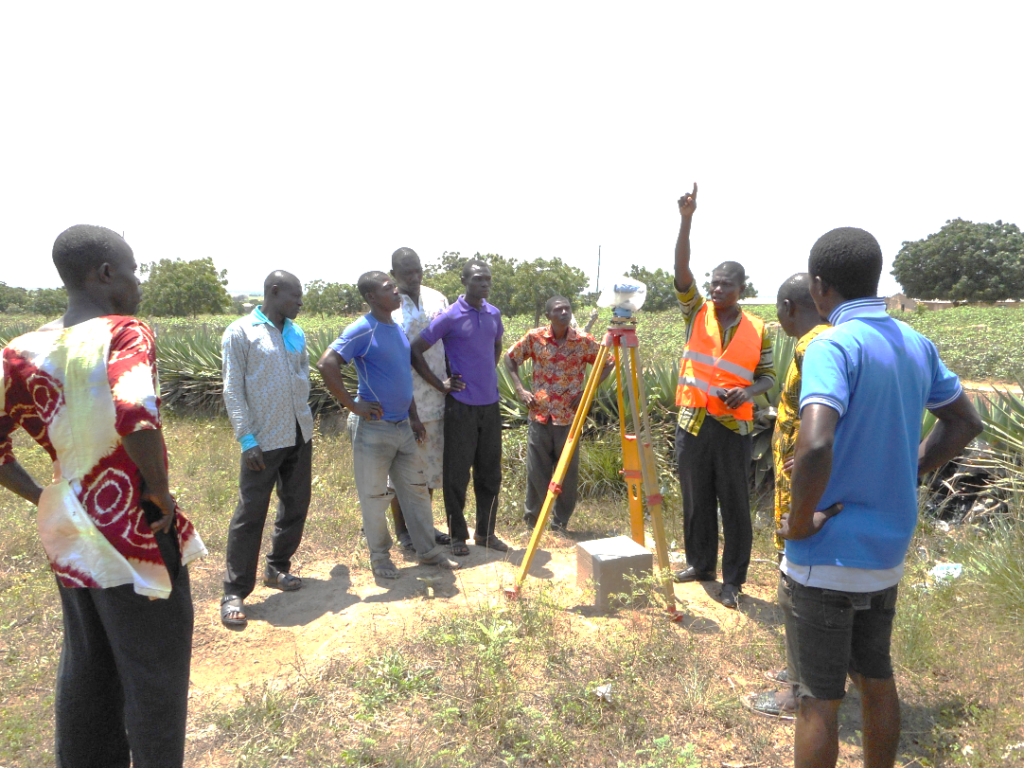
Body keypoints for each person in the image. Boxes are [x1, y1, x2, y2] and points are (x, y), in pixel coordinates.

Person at [0, 225, 207, 767]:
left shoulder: (19, 352)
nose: (138, 281)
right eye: (133, 268)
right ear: (106, 273)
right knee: (154, 675)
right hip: (134, 526)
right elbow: (135, 411)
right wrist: (157, 492)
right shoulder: (124, 331)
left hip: (69, 525)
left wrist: (44, 493)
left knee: (88, 666)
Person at [778, 227, 982, 768]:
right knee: (876, 678)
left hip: (825, 557)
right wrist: (909, 466)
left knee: (816, 701)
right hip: (886, 554)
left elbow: (817, 442)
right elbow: (965, 421)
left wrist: (799, 521)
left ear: (820, 287)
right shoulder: (915, 343)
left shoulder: (832, 345)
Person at [671, 183, 776, 609]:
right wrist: (686, 220)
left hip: (734, 427)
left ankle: (733, 580)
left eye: (725, 284)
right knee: (695, 499)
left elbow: (768, 377)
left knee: (733, 505)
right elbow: (681, 270)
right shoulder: (696, 311)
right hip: (694, 421)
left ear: (741, 288)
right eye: (713, 283)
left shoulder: (759, 327)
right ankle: (700, 565)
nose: (716, 290)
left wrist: (747, 390)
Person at [317, 271, 460, 578]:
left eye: (395, 287)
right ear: (371, 297)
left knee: (416, 491)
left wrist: (412, 416)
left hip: (402, 428)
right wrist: (353, 405)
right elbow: (326, 363)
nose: (397, 291)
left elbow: (400, 377)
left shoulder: (395, 329)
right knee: (374, 496)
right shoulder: (362, 329)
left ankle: (428, 552)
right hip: (374, 429)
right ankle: (380, 557)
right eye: (389, 288)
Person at [743, 273, 829, 720]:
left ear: (788, 307)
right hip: (800, 481)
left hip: (802, 488)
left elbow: (826, 419)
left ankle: (801, 690)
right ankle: (800, 670)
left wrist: (806, 455)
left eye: (777, 311)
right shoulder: (821, 341)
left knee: (797, 586)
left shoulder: (814, 347)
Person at [220, 271, 314, 628]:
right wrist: (247, 439)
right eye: (296, 296)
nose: (300, 303)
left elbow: (302, 374)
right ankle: (234, 591)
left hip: (298, 434)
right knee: (250, 513)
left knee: (296, 505)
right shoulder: (241, 332)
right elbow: (232, 390)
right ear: (274, 292)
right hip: (262, 440)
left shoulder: (296, 331)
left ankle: (277, 568)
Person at [411, 259, 507, 556]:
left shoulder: (493, 314)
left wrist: (486, 373)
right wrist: (441, 384)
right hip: (461, 406)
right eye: (478, 279)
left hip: (489, 405)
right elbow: (415, 349)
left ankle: (486, 533)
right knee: (457, 474)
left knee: (490, 473)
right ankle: (456, 535)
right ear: (464, 281)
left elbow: (496, 345)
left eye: (488, 279)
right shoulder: (450, 316)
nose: (485, 284)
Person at [505, 295, 613, 533]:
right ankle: (533, 522)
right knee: (536, 471)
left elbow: (608, 362)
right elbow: (510, 358)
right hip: (540, 415)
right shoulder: (535, 338)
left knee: (567, 474)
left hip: (568, 417)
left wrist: (588, 390)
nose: (564, 312)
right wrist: (520, 389)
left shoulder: (583, 341)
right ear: (548, 316)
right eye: (558, 310)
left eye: (567, 309)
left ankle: (560, 523)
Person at [387, 247, 451, 550]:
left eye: (418, 270)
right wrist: (407, 411)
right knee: (403, 473)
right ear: (393, 275)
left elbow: (450, 342)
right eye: (406, 272)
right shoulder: (388, 306)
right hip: (404, 404)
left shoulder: (438, 299)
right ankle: (404, 533)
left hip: (437, 399)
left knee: (430, 470)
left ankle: (425, 526)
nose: (414, 277)